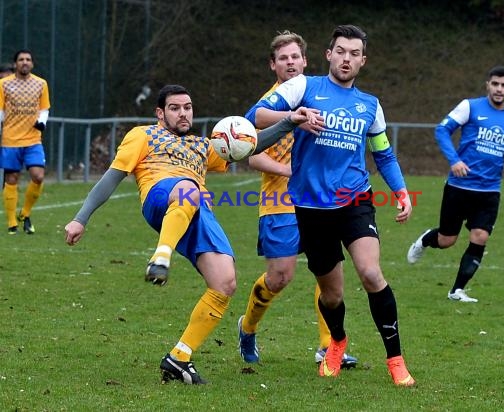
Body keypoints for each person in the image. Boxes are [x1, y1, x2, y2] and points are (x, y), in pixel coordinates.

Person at [64, 84, 320, 384]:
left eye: (187, 107)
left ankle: (179, 358)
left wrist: (290, 121)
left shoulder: (202, 145)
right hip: (161, 197)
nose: (183, 113)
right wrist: (81, 218)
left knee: (225, 283)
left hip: (198, 210)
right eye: (175, 108)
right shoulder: (142, 135)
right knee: (188, 189)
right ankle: (161, 257)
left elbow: (251, 144)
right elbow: (112, 178)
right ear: (160, 113)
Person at [245, 24, 415, 386]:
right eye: (341, 51)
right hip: (310, 207)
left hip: (355, 200)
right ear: (328, 55)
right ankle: (337, 341)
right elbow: (253, 117)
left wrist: (400, 191)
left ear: (362, 61)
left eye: (354, 54)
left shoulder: (370, 105)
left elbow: (383, 154)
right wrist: (293, 117)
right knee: (332, 293)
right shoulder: (304, 87)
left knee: (371, 273)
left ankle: (396, 359)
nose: (346, 59)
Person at [237, 31, 357, 369]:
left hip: (320, 200)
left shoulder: (322, 93)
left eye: (295, 57)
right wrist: (292, 170)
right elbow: (251, 154)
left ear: (305, 60)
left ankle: (329, 345)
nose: (290, 62)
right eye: (283, 58)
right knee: (280, 277)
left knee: (327, 270)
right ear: (273, 65)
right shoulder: (269, 104)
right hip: (279, 201)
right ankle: (247, 327)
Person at [407, 65, 504, 303]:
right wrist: (455, 160)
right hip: (459, 187)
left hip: (489, 190)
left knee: (480, 236)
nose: (499, 89)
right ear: (488, 85)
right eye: (495, 84)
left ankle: (457, 290)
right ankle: (425, 240)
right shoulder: (470, 107)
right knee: (446, 240)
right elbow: (442, 130)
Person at [0, 49, 50, 234]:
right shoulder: (4, 84)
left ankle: (25, 213)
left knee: (38, 176)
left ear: (32, 64)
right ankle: (12, 222)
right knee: (11, 179)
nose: (25, 62)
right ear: (15, 64)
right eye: (21, 59)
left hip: (33, 140)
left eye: (28, 59)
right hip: (11, 140)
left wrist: (42, 122)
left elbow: (44, 108)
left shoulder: (40, 84)